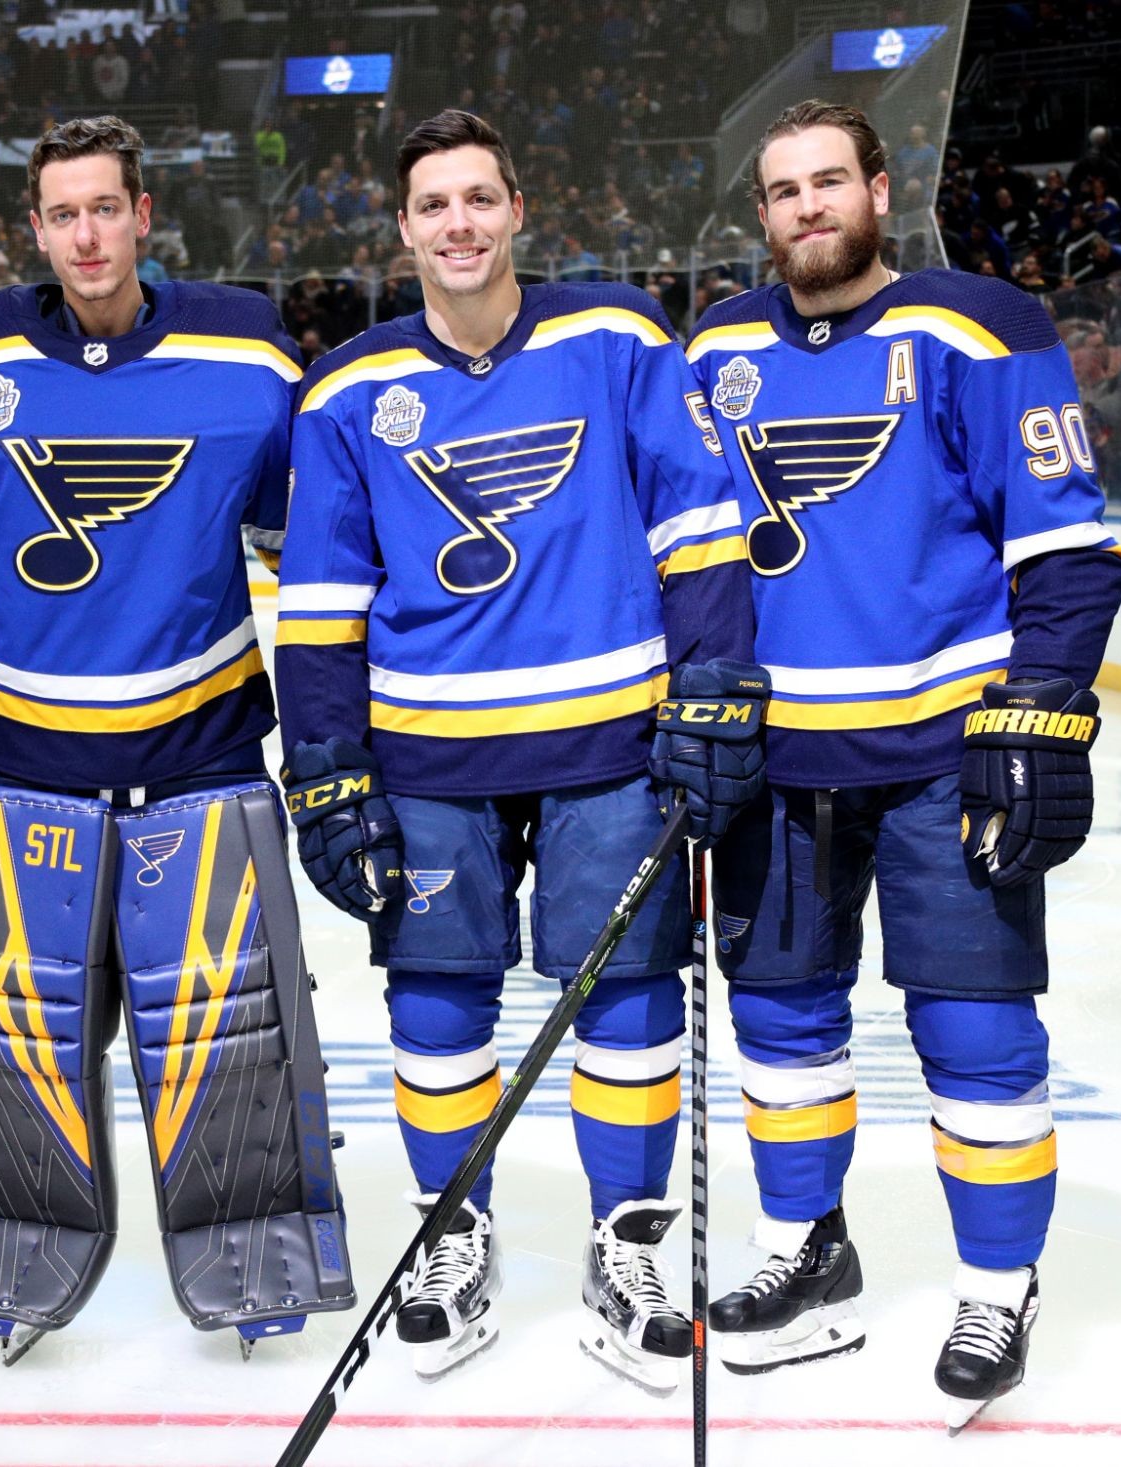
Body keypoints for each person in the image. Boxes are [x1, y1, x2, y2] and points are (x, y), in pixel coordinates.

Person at [274, 109, 760, 1389]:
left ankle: (626, 1245)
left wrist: (713, 687)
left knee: (629, 996)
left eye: (478, 198)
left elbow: (698, 523)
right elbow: (319, 603)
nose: (459, 224)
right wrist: (324, 762)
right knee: (434, 998)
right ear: (402, 229)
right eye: (433, 204)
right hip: (430, 753)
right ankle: (452, 1235)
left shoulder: (615, 338)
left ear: (516, 211)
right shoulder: (347, 392)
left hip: (608, 738)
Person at [684, 100, 1121, 1431]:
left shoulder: (979, 326)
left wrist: (1037, 708)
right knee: (780, 1028)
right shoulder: (713, 349)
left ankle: (996, 1285)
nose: (808, 207)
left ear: (880, 190)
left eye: (831, 181)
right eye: (784, 190)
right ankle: (805, 1248)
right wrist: (696, 702)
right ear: (760, 213)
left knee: (975, 1031)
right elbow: (690, 556)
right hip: (777, 765)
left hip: (945, 756)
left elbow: (1065, 549)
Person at [0, 115, 354, 1357]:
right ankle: (15, 1235)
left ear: (144, 215)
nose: (86, 236)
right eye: (62, 214)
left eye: (105, 208)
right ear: (34, 228)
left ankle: (251, 1240)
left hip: (196, 747)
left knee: (229, 1030)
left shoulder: (245, 347)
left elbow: (317, 536)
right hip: (9, 752)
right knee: (8, 1036)